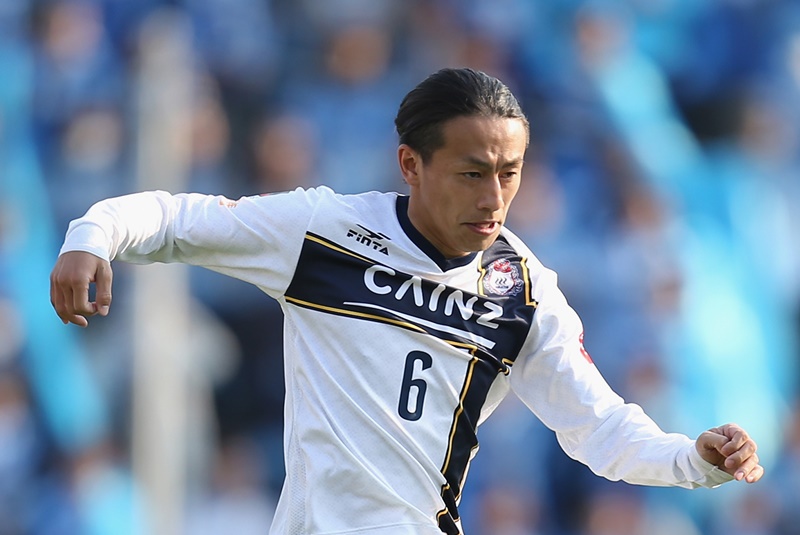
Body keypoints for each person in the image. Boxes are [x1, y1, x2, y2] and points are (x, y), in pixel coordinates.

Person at [50, 67, 763, 535]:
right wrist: (93, 234)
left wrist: (691, 457)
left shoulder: (525, 292)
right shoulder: (323, 233)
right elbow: (178, 217)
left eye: (510, 173)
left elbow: (600, 426)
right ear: (410, 165)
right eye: (472, 173)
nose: (494, 198)